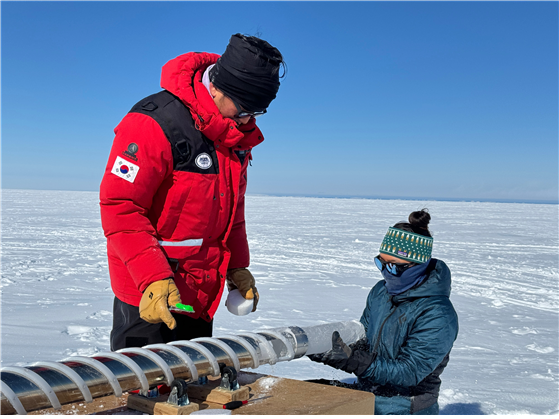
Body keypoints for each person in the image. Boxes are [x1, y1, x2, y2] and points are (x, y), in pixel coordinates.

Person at [100, 33, 285, 351]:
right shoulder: (153, 124)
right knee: (144, 391)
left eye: (258, 112)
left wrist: (237, 267)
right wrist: (152, 277)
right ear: (216, 86)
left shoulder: (233, 135)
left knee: (190, 387)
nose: (249, 120)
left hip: (198, 294)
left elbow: (232, 213)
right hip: (148, 295)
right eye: (244, 109)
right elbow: (121, 206)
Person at [309, 210, 459, 415]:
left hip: (405, 404)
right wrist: (328, 348)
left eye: (394, 267)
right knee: (301, 396)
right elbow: (365, 338)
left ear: (417, 266)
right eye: (381, 263)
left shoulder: (438, 314)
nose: (385, 272)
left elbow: (409, 372)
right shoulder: (380, 292)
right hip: (370, 391)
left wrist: (353, 360)